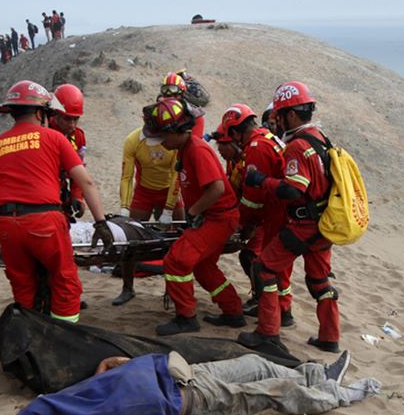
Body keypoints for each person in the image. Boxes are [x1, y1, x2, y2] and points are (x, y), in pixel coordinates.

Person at [0, 80, 114, 324]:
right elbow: (86, 181)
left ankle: (30, 333)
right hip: (43, 220)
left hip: (5, 223)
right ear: (40, 112)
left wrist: (74, 199)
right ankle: (61, 336)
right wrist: (101, 223)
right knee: (65, 280)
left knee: (23, 283)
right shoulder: (54, 138)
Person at [8, 349, 381, 415]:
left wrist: (111, 371)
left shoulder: (47, 409)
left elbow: (101, 377)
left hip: (178, 372)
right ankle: (339, 395)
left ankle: (318, 377)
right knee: (274, 392)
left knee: (254, 364)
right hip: (186, 399)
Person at [239, 81, 341, 353]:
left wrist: (262, 180)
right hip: (324, 226)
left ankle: (268, 333)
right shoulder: (320, 137)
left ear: (291, 115)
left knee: (264, 268)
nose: (278, 122)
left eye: (280, 116)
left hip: (303, 225)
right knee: (319, 282)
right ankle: (330, 338)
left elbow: (292, 190)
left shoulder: (296, 146)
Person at [144, 98, 244, 336]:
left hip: (219, 218)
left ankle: (186, 317)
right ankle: (233, 311)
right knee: (203, 266)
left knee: (176, 261)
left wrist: (193, 212)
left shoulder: (197, 151)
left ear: (178, 131)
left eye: (162, 136)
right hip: (216, 217)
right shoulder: (185, 149)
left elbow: (217, 188)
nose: (161, 142)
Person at [222, 103, 292, 323]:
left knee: (265, 264)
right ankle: (284, 310)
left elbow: (253, 198)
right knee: (277, 265)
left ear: (235, 132)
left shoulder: (256, 147)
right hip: (279, 211)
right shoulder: (267, 139)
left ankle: (273, 315)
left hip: (274, 212)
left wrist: (243, 224)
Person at [115, 108, 185, 305]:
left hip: (169, 190)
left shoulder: (173, 142)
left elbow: (175, 175)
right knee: (130, 240)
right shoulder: (133, 141)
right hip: (144, 192)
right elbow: (127, 176)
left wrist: (169, 209)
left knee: (177, 240)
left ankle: (171, 291)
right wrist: (124, 207)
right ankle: (127, 288)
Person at [50, 84, 87, 222]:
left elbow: (78, 169)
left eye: (75, 119)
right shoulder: (43, 133)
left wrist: (77, 196)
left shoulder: (78, 136)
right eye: (67, 119)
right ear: (56, 113)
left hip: (62, 192)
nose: (72, 125)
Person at [159, 72, 206, 137]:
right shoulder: (157, 111)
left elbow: (194, 142)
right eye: (167, 95)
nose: (170, 99)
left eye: (174, 95)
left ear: (182, 94)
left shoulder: (195, 116)